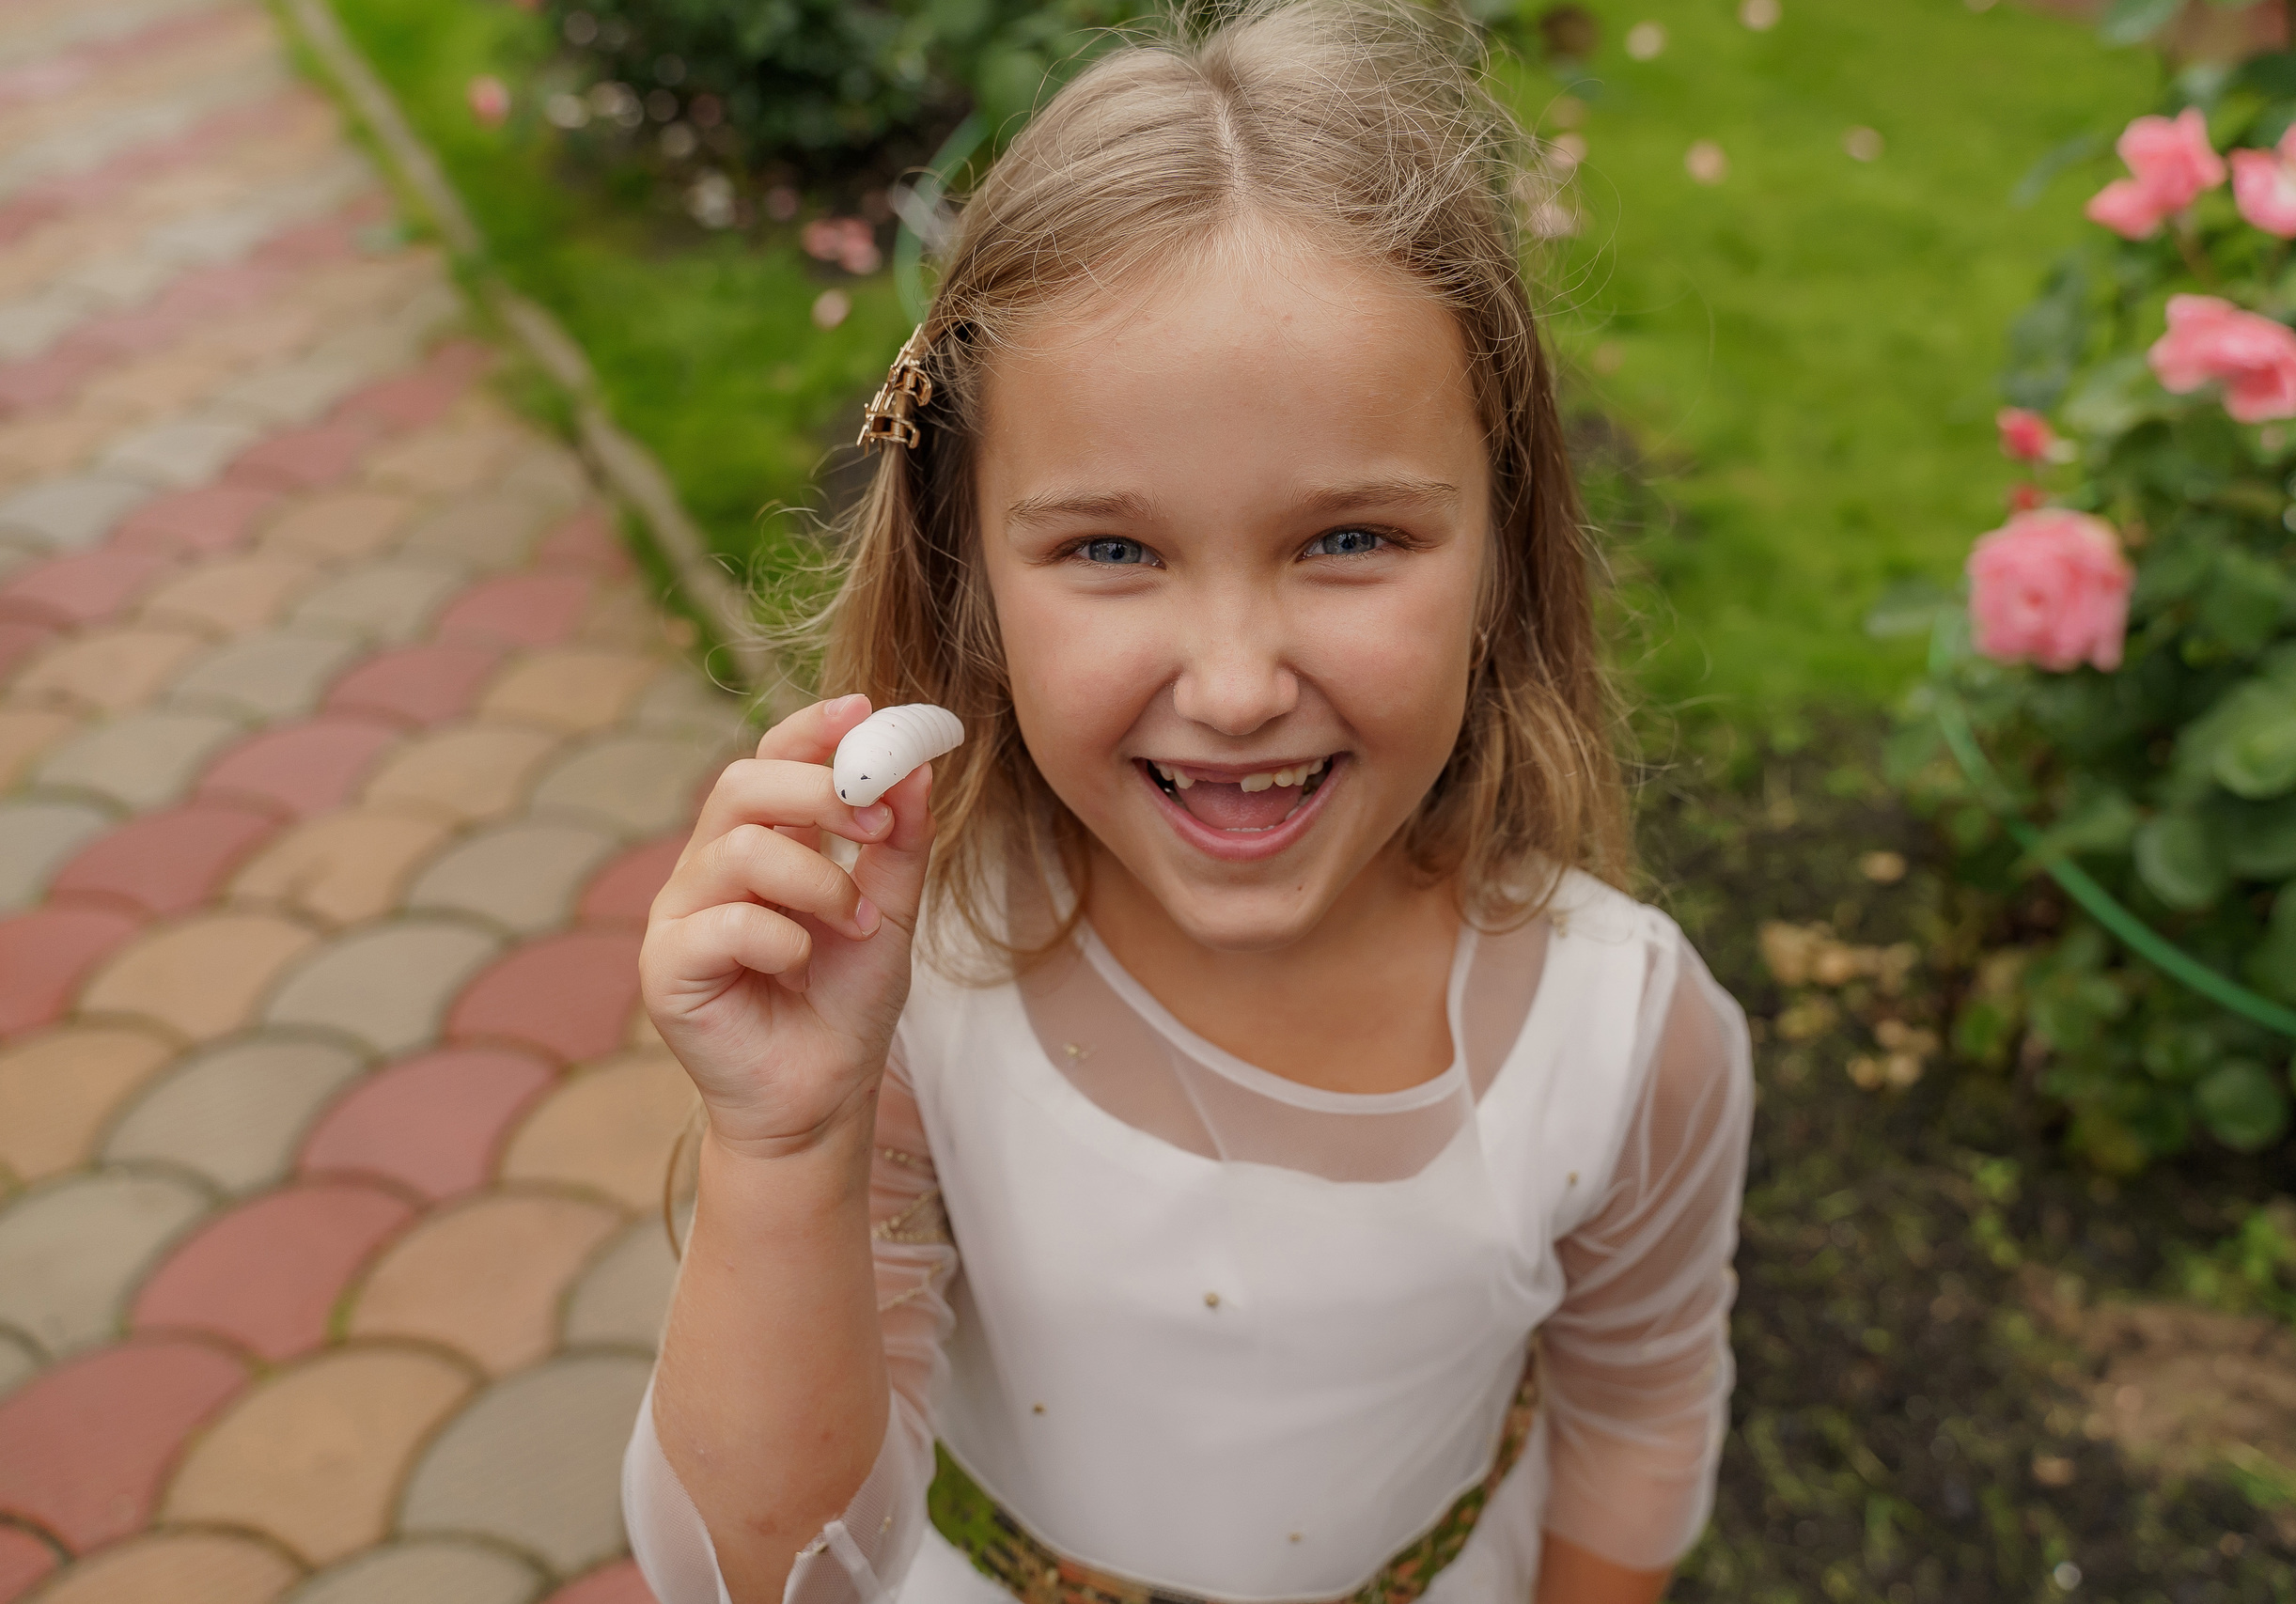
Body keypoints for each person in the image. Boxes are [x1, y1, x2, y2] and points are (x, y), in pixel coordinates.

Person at [625, 3, 1753, 1599]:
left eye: (1350, 539)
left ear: (1507, 544)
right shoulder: (907, 1009)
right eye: (1111, 549)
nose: (1232, 686)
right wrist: (786, 1139)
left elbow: (1637, 1426)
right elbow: (759, 1572)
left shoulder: (1630, 1039)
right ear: (971, 575)